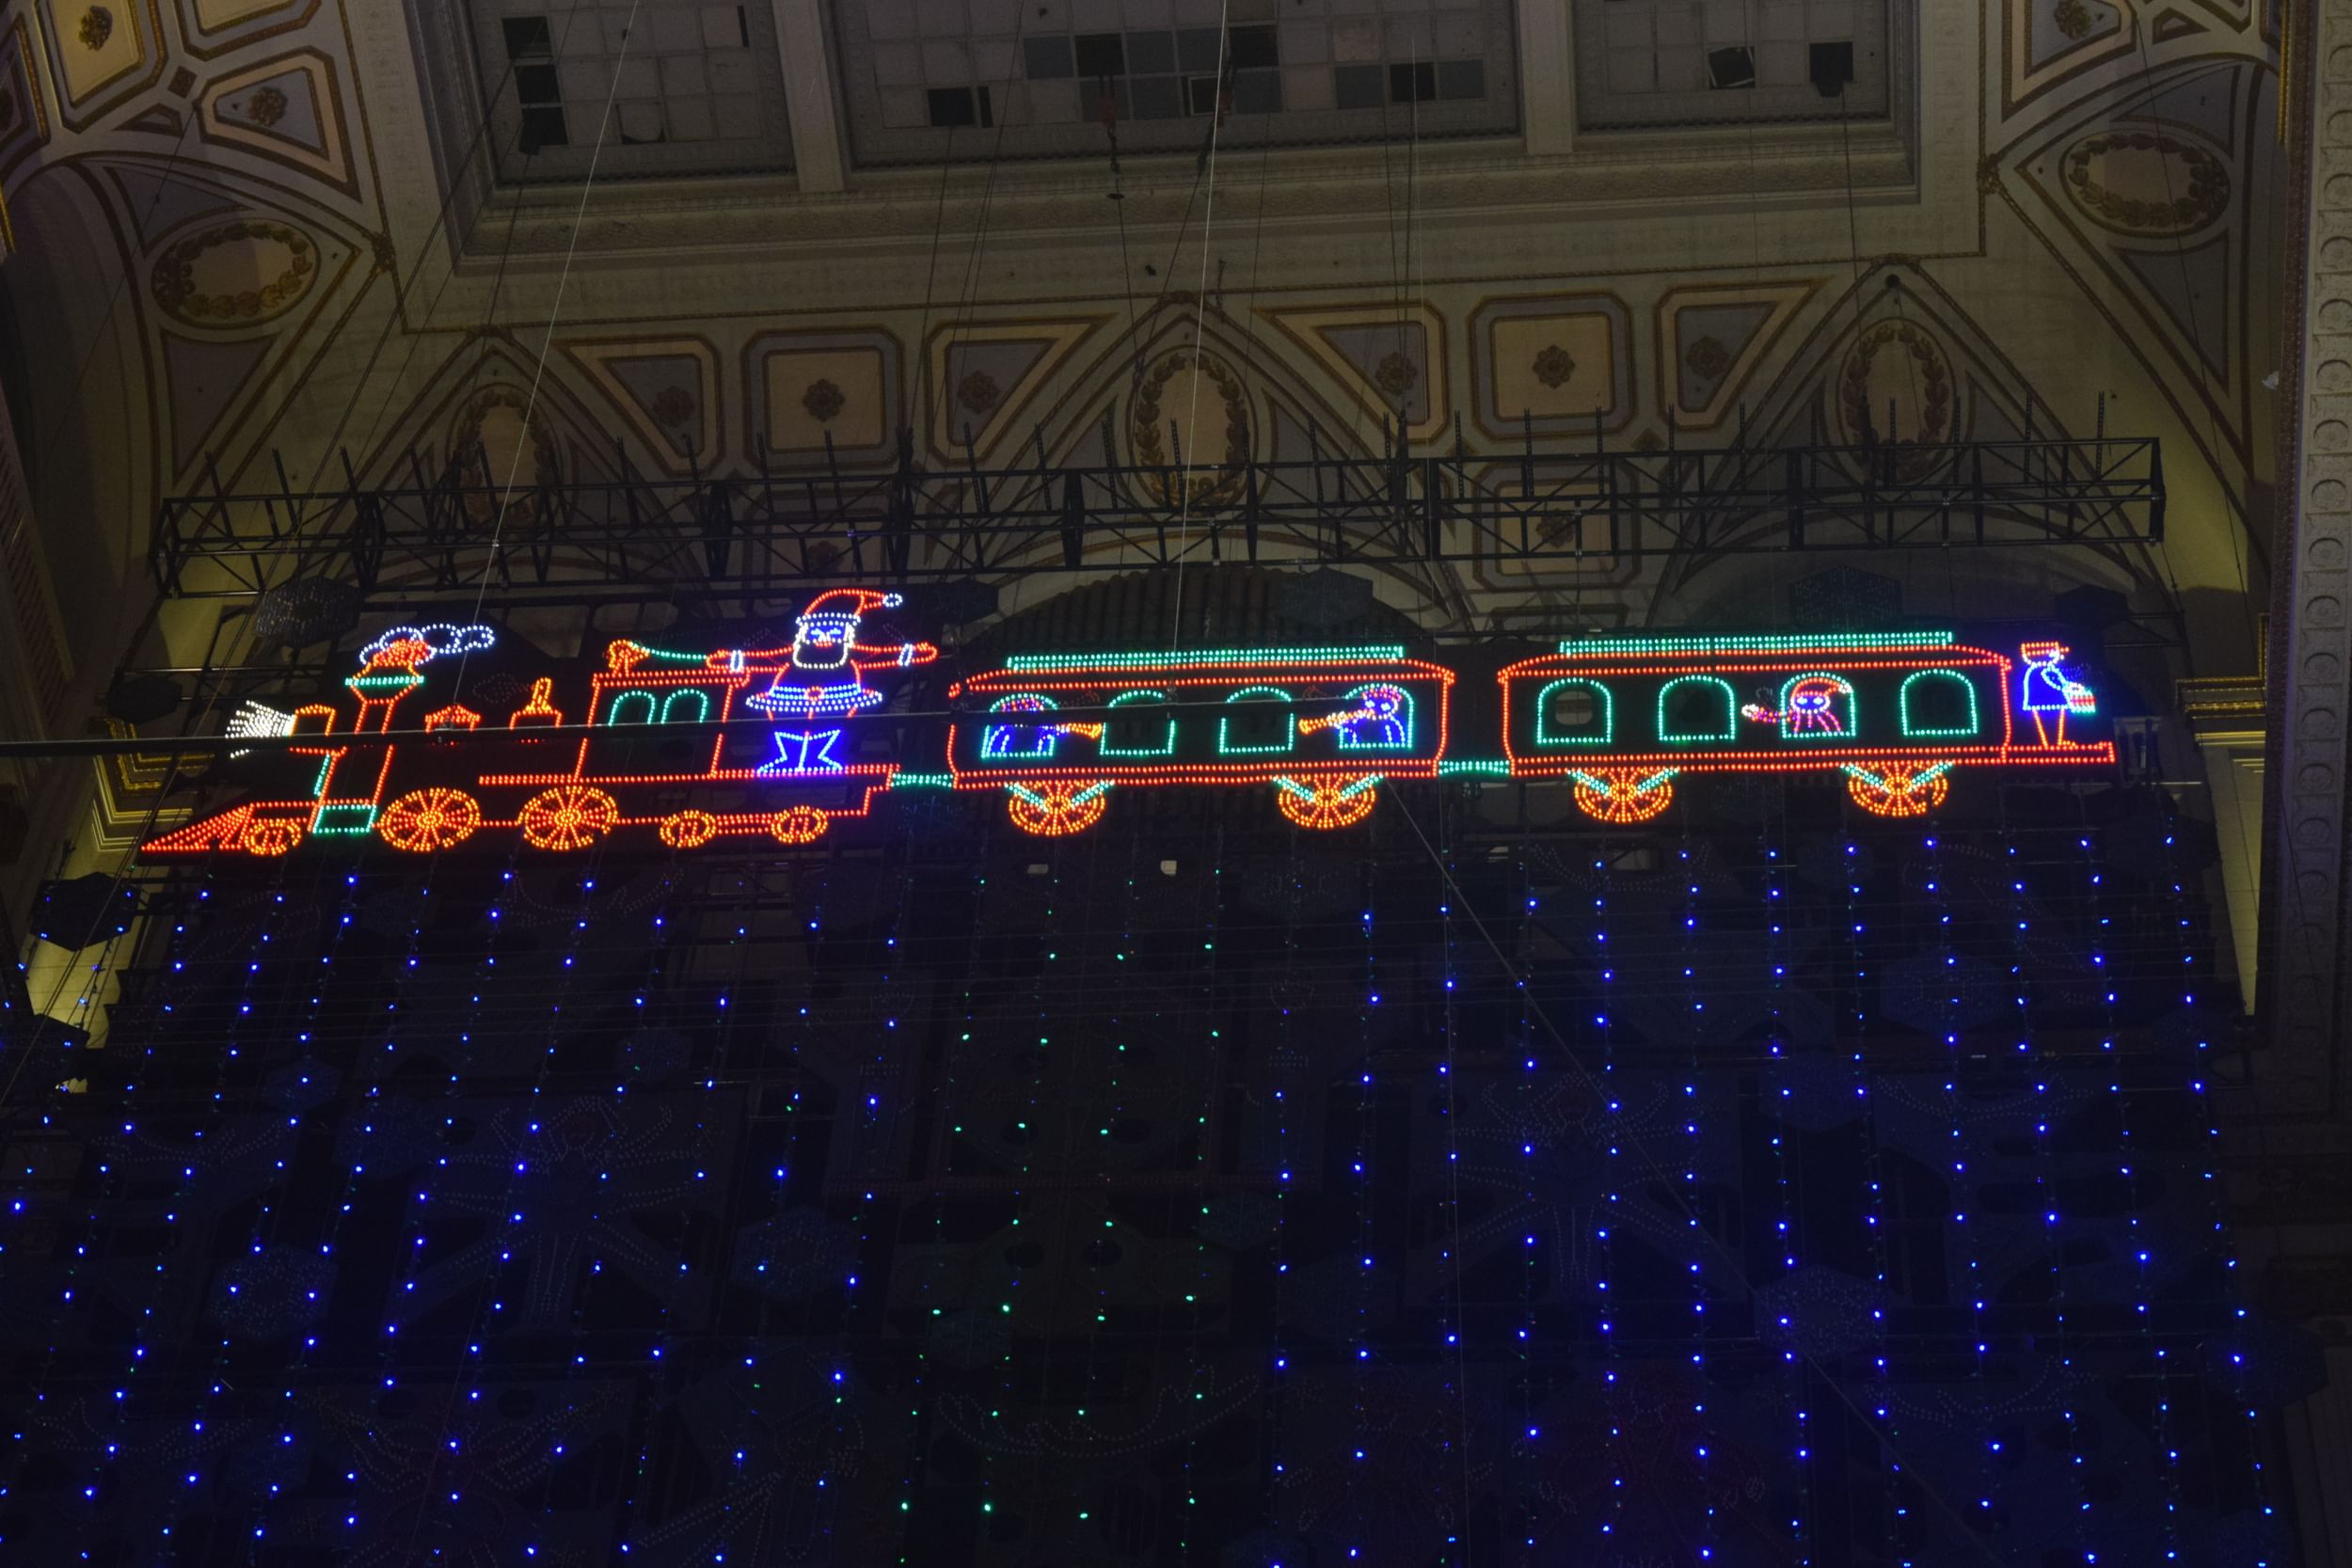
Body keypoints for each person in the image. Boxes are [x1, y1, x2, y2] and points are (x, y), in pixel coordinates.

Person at [723, 588, 940, 720]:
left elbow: (889, 655)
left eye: (834, 631)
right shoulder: (786, 654)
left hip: (838, 705)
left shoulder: (859, 655)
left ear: (847, 634)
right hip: (788, 706)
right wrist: (739, 659)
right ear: (804, 633)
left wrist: (907, 652)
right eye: (816, 632)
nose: (824, 637)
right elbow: (757, 656)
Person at [2018, 641, 2095, 746]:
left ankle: (2052, 743)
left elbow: (2060, 683)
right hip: (2054, 701)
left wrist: (2069, 686)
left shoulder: (2033, 671)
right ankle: (2053, 743)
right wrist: (2073, 687)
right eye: (2053, 653)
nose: (2057, 655)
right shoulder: (2047, 670)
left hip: (2036, 702)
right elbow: (2059, 684)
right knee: (2054, 724)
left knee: (2045, 724)